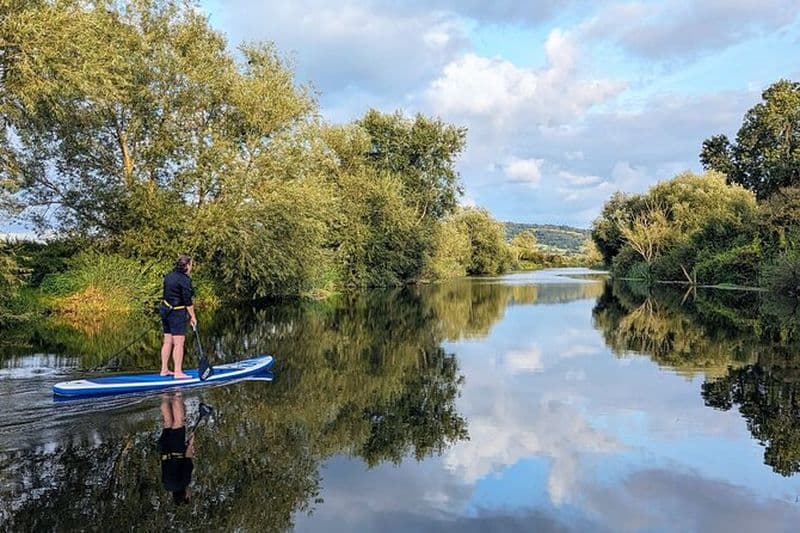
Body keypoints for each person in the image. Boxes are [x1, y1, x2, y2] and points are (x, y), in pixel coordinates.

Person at [159, 254, 197, 379]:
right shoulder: (185, 280)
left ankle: (164, 370)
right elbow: (188, 301)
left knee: (168, 340)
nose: (191, 267)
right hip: (177, 312)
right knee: (179, 343)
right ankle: (178, 372)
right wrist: (193, 317)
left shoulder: (169, 276)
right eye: (191, 265)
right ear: (186, 266)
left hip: (165, 309)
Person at [158, 392, 194, 505]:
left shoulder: (184, 482)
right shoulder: (167, 486)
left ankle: (177, 393)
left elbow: (188, 458)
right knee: (168, 422)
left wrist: (191, 443)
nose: (191, 494)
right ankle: (164, 395)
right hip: (163, 449)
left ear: (185, 496)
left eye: (190, 496)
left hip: (175, 449)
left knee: (179, 422)